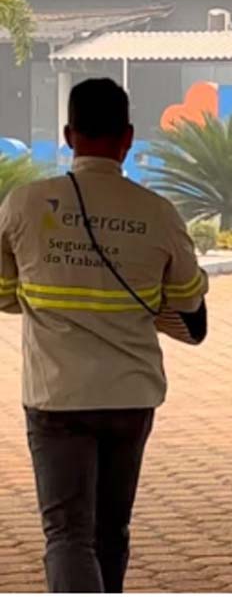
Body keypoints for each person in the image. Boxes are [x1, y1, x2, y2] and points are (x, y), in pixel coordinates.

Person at [0, 78, 209, 592]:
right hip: (130, 397)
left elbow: (4, 293)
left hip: (57, 397)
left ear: (69, 135)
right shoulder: (157, 213)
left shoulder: (25, 204)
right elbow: (187, 299)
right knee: (111, 531)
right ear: (129, 137)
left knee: (68, 535)